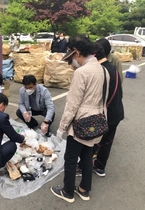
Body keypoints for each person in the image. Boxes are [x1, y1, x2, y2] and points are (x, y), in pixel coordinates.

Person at [51, 35, 110, 203]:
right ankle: (84, 189)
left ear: (76, 52)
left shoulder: (81, 73)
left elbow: (72, 104)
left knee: (70, 158)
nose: (72, 63)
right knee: (86, 156)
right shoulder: (103, 69)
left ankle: (67, 191)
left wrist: (62, 127)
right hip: (97, 121)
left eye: (72, 57)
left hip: (81, 123)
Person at [91, 43, 124, 176]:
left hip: (106, 113)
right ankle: (100, 167)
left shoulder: (101, 71)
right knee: (107, 141)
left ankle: (83, 167)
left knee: (93, 141)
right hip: (117, 112)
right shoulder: (112, 68)